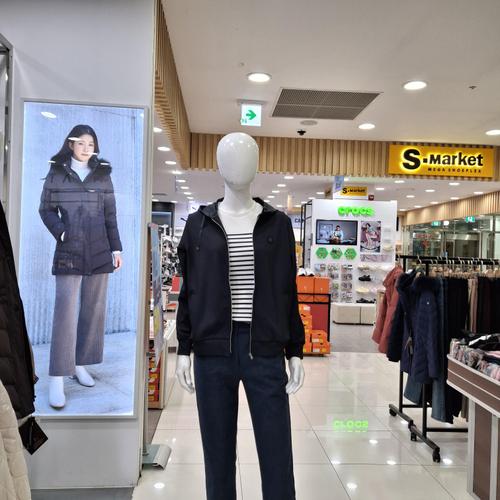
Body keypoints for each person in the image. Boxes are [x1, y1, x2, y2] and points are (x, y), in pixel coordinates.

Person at [39, 124, 123, 409]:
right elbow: (45, 209)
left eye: (91, 144)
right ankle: (57, 376)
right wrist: (61, 232)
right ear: (71, 144)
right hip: (69, 250)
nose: (87, 148)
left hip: (99, 250)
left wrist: (116, 248)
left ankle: (79, 364)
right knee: (65, 312)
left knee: (93, 309)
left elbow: (110, 215)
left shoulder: (102, 174)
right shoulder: (57, 173)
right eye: (81, 143)